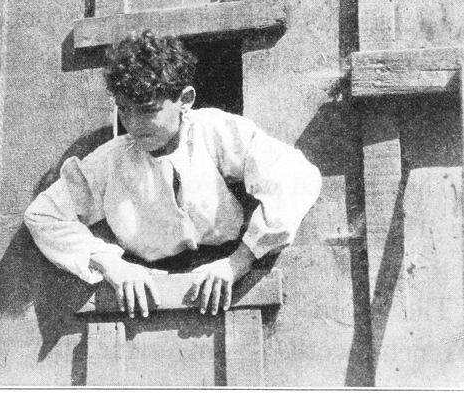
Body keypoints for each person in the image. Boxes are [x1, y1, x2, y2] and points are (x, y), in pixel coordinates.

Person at [25, 29, 321, 319]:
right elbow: (43, 215)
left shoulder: (216, 131)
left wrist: (239, 261)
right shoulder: (111, 159)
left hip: (232, 281)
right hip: (149, 299)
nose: (133, 124)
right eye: (125, 109)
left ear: (185, 99)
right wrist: (112, 265)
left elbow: (296, 177)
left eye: (147, 110)